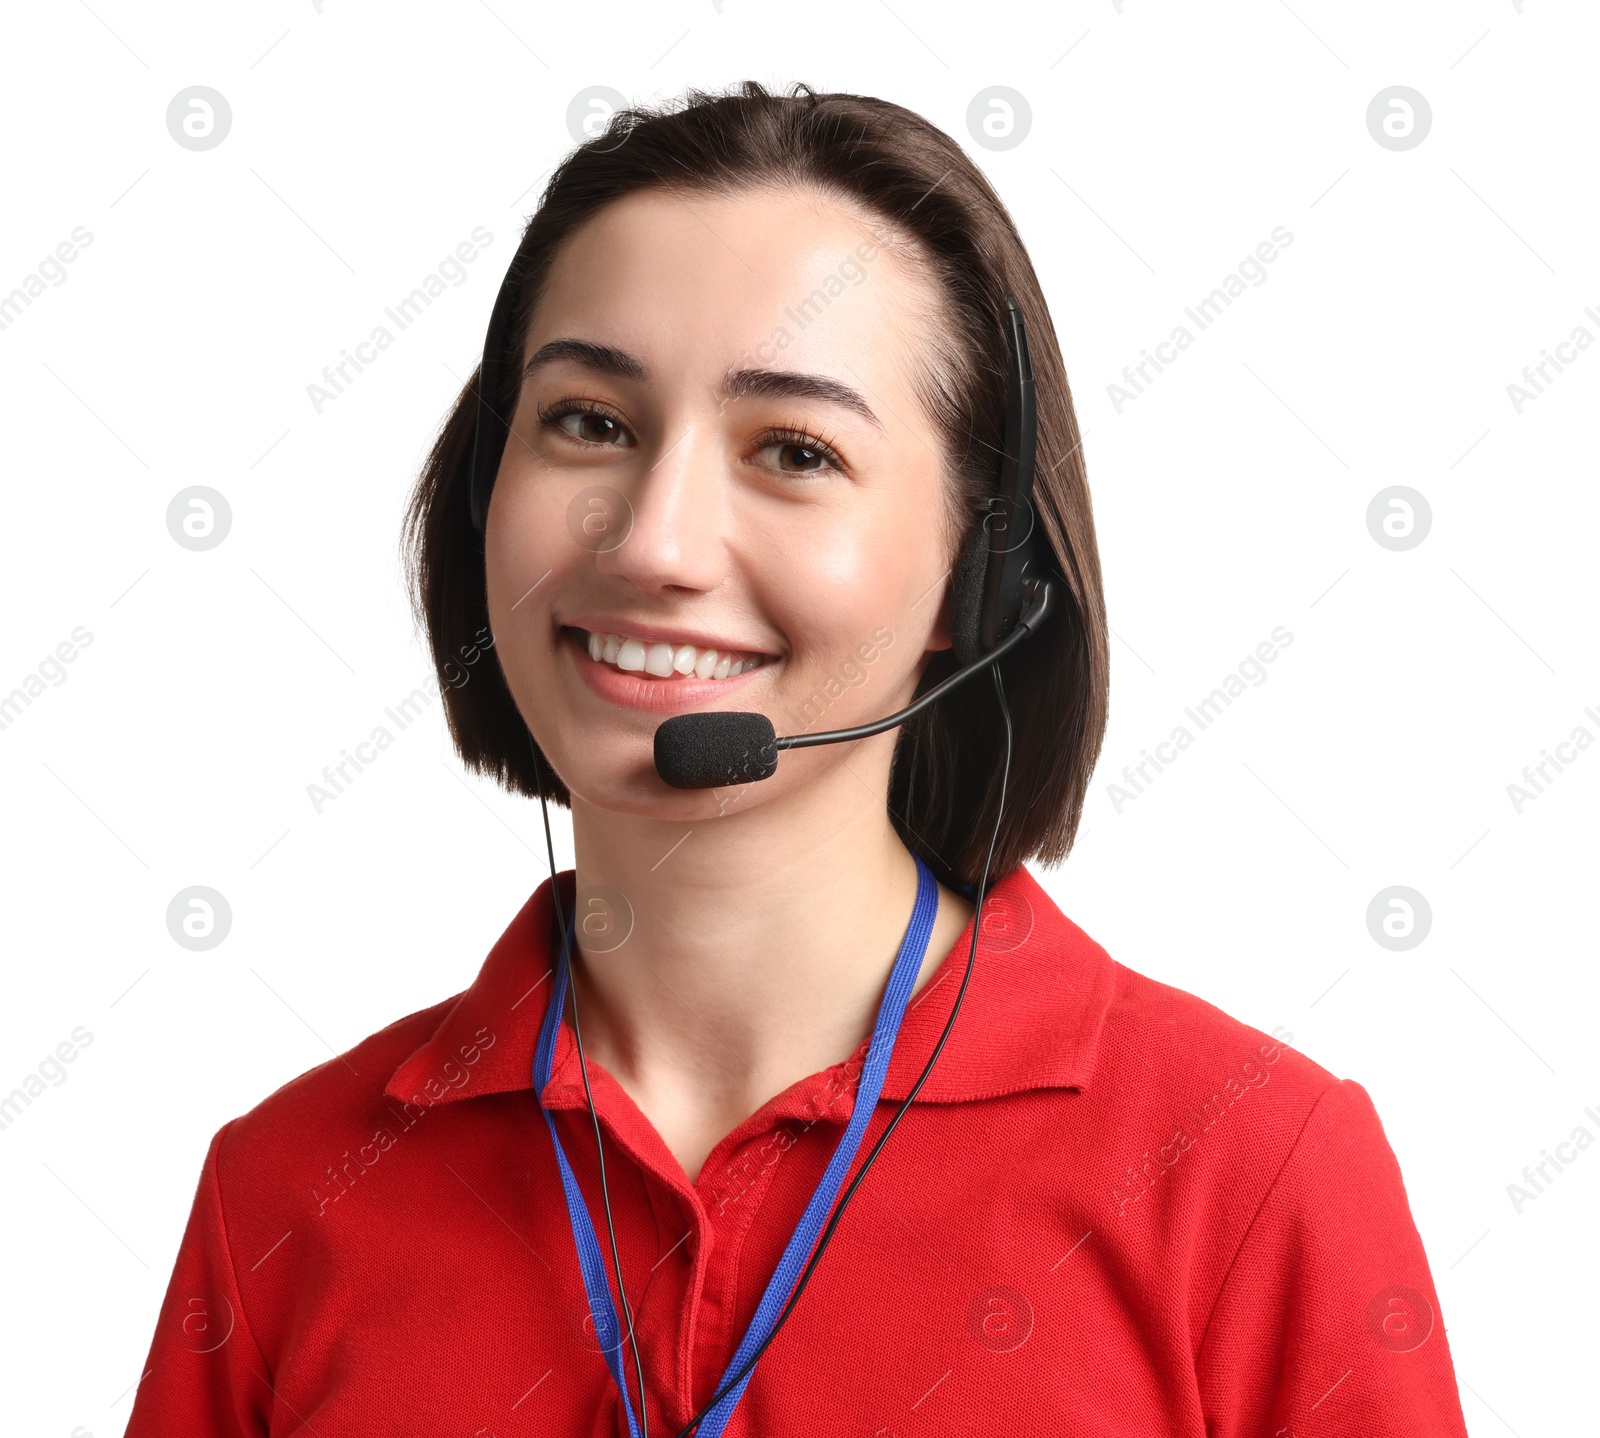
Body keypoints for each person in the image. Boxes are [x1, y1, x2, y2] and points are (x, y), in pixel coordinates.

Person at [127, 82, 1469, 1436]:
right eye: (590, 420)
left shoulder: (1246, 1172)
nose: (654, 541)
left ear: (978, 581)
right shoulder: (289, 1194)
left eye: (793, 449)